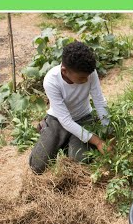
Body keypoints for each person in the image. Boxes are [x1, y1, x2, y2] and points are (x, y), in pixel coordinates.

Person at [29, 41, 110, 174]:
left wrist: (108, 131)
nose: (86, 80)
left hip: (83, 117)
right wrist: (98, 142)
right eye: (82, 78)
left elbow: (99, 101)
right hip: (58, 120)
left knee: (80, 162)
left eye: (88, 76)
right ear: (65, 71)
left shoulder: (90, 73)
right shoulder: (51, 80)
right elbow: (65, 121)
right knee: (37, 166)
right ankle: (52, 131)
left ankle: (67, 140)